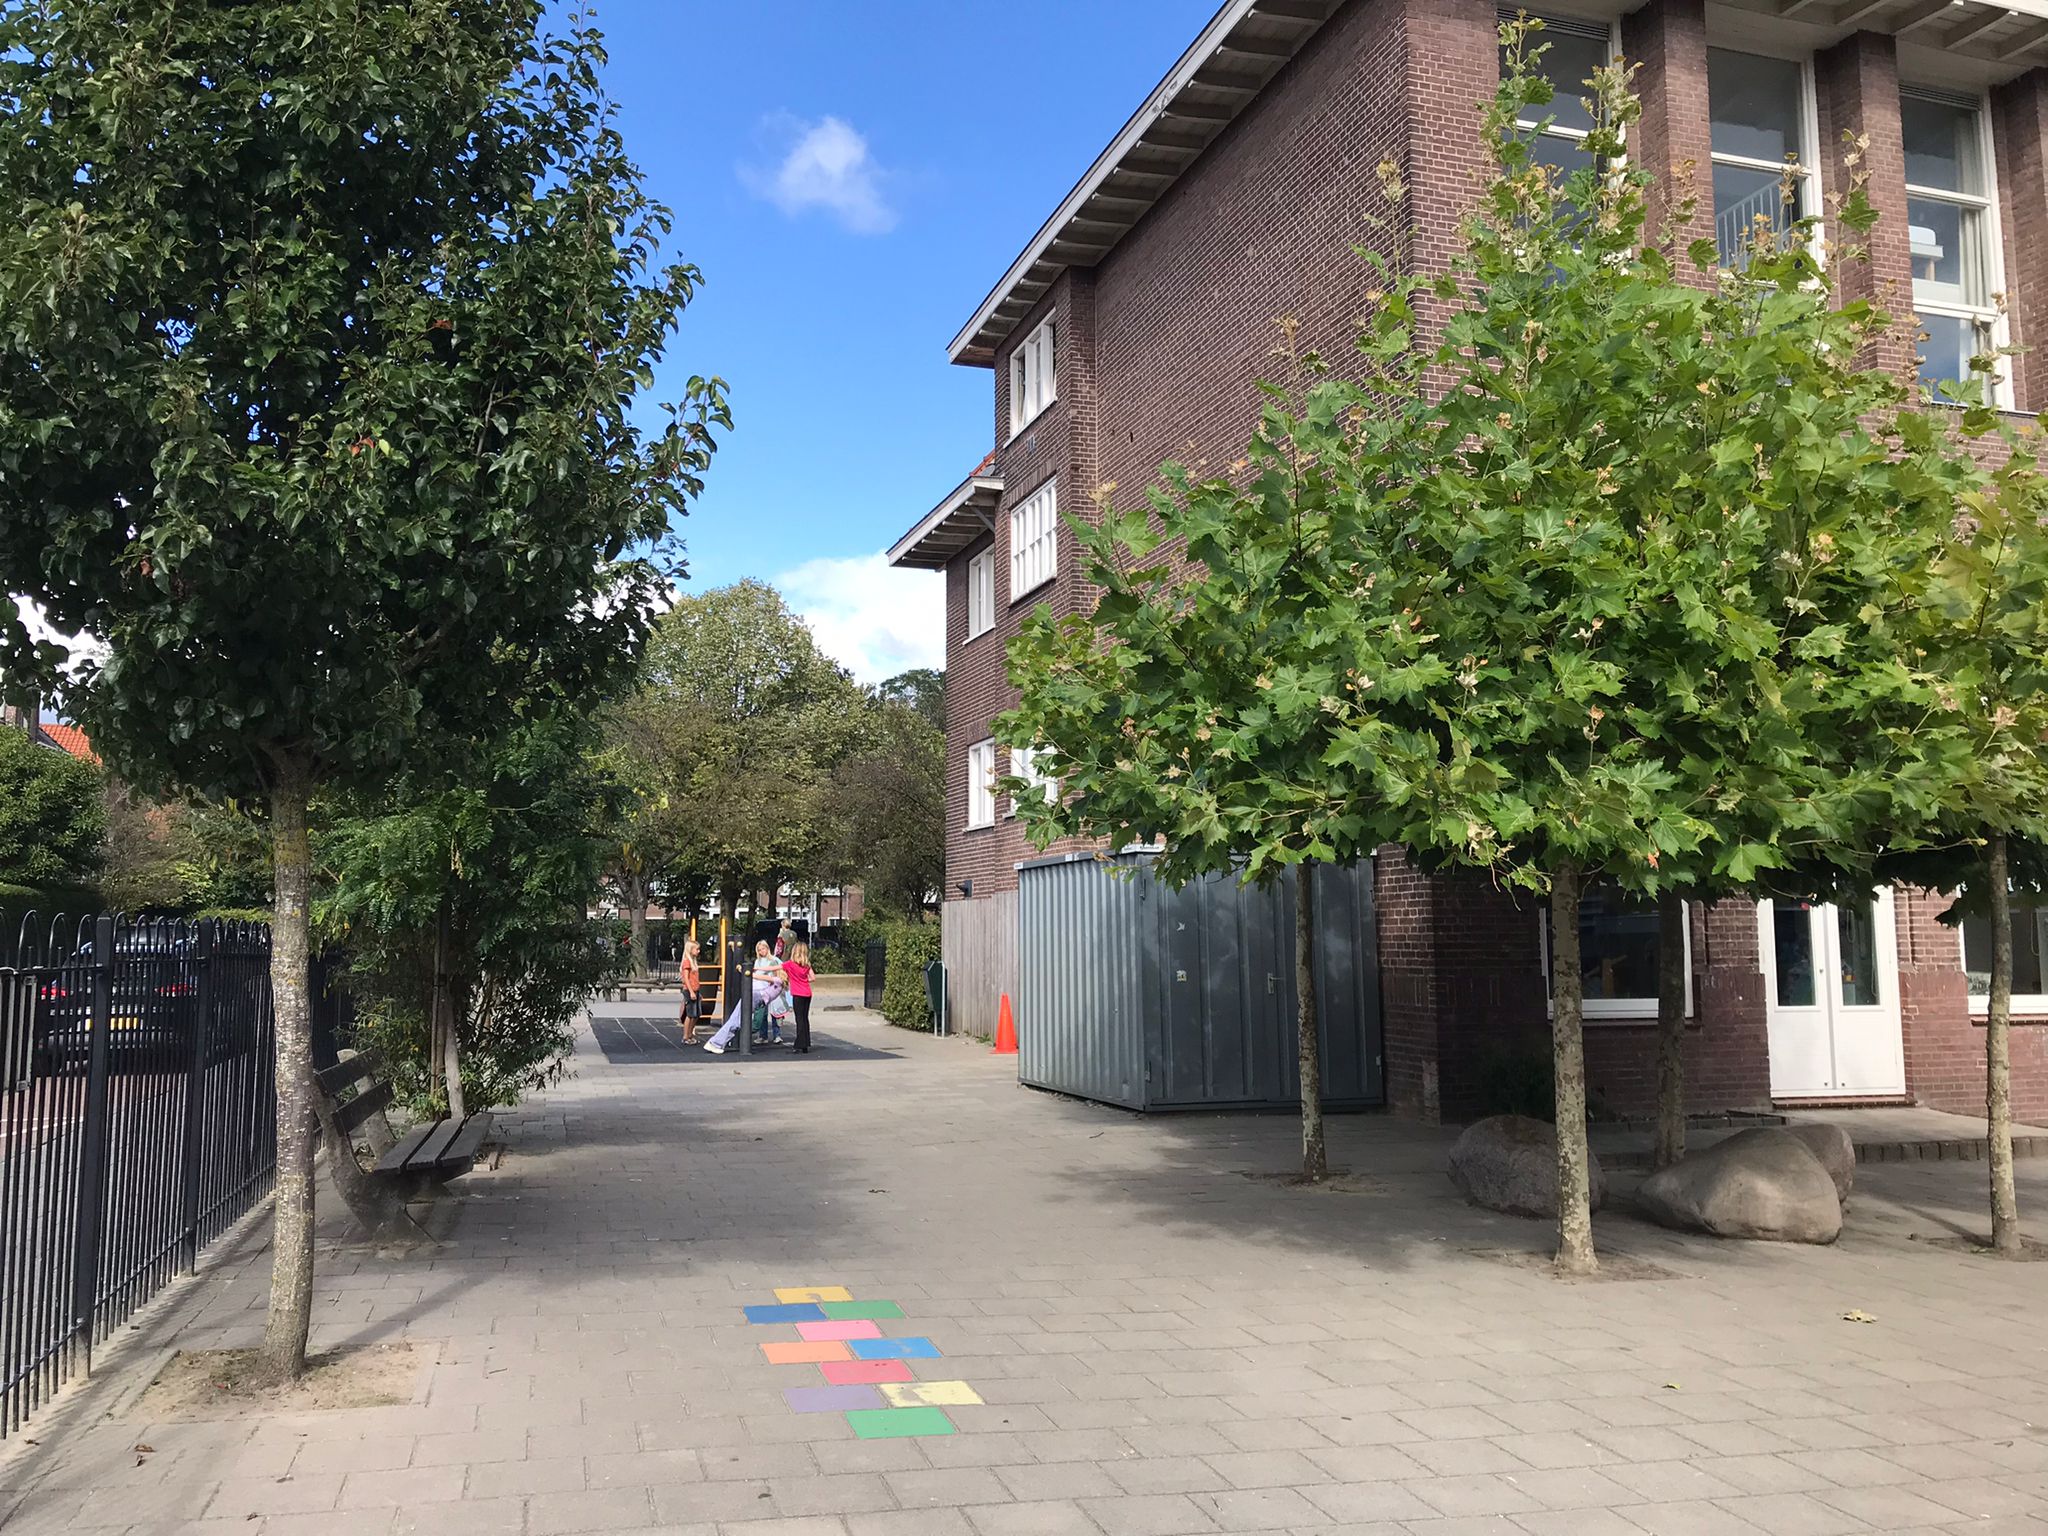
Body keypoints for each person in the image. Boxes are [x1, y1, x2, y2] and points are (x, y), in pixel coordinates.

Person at [705, 940, 785, 1054]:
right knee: (736, 1020)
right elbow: (761, 975)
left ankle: (717, 1042)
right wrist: (747, 971)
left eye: (763, 949)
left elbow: (764, 975)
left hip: (756, 994)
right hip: (755, 994)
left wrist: (745, 970)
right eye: (760, 949)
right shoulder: (778, 981)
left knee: (737, 1020)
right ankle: (715, 1042)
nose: (762, 951)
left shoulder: (777, 979)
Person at [784, 942, 815, 1054]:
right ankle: (806, 1044)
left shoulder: (790, 964)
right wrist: (804, 980)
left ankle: (799, 1043)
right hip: (807, 993)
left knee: (799, 1019)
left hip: (798, 994)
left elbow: (776, 967)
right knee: (805, 1018)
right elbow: (813, 977)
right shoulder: (807, 964)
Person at [678, 937, 702, 1046]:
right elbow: (686, 978)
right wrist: (691, 991)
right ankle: (686, 1036)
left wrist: (697, 992)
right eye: (696, 949)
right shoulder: (687, 962)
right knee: (690, 1014)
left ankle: (690, 1034)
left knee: (697, 1014)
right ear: (690, 950)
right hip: (689, 990)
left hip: (695, 990)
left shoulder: (693, 962)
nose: (698, 951)